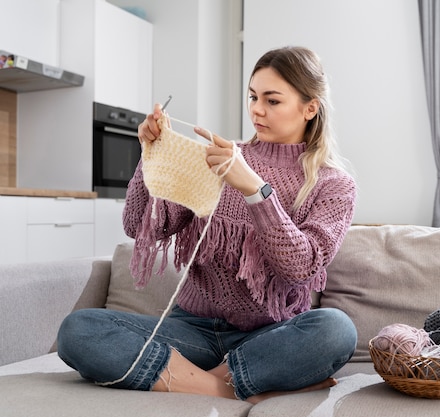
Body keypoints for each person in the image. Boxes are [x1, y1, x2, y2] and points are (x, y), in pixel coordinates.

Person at [57, 46, 358, 403]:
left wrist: (255, 190)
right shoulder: (218, 158)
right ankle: (228, 388)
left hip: (270, 336)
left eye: (272, 100)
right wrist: (149, 155)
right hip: (192, 331)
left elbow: (300, 267)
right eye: (253, 96)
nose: (257, 110)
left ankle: (195, 379)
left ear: (310, 108)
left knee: (336, 330)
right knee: (78, 330)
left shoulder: (334, 185)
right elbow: (139, 226)